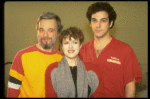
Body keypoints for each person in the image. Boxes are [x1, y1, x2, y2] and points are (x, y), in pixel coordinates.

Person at [79, 2, 142, 98]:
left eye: (103, 20)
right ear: (90, 24)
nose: (98, 25)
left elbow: (130, 87)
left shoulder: (125, 50)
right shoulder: (82, 50)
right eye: (94, 20)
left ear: (111, 23)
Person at [7, 12, 63, 98]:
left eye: (50, 30)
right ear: (37, 31)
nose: (45, 35)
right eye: (41, 30)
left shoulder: (63, 59)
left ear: (58, 33)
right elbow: (12, 91)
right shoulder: (22, 56)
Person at [45, 27, 99, 98]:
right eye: (66, 43)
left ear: (80, 45)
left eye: (74, 42)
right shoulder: (52, 70)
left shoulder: (92, 70)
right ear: (62, 46)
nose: (70, 46)